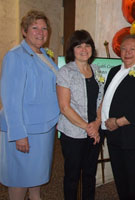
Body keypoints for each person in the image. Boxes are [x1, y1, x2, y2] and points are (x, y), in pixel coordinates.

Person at [0, 10, 60, 200]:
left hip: (43, 128)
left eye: (44, 28)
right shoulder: (16, 56)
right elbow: (11, 99)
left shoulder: (44, 54)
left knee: (35, 175)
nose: (40, 32)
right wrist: (18, 134)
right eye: (35, 27)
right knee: (19, 178)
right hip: (25, 129)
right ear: (24, 31)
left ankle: (36, 198)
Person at [101, 34, 135, 200]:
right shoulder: (113, 71)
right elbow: (105, 99)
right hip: (114, 135)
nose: (127, 52)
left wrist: (117, 122)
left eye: (132, 49)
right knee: (120, 177)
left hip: (134, 138)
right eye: (124, 49)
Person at [56, 30, 104, 200]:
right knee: (72, 176)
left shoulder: (97, 70)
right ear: (72, 49)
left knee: (90, 174)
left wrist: (97, 122)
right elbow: (64, 107)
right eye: (79, 45)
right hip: (73, 133)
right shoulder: (66, 72)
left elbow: (101, 100)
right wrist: (87, 127)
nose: (84, 49)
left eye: (87, 45)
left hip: (95, 131)